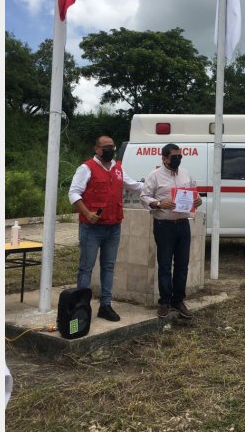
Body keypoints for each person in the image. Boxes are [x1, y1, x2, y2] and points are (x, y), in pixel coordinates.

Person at [68, 135, 143, 321]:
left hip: (113, 227)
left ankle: (105, 305)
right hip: (91, 229)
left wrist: (159, 188)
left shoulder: (118, 169)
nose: (110, 150)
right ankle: (81, 308)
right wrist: (87, 213)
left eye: (112, 146)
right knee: (86, 268)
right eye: (106, 147)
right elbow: (74, 193)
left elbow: (136, 186)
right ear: (97, 149)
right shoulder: (86, 168)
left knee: (108, 267)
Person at [140, 143, 203, 319]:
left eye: (180, 156)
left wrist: (197, 200)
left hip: (183, 225)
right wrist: (159, 203)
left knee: (182, 265)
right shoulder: (154, 175)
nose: (178, 159)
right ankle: (165, 302)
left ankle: (178, 300)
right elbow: (144, 197)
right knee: (165, 264)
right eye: (174, 157)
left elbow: (195, 193)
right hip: (164, 226)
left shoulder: (186, 174)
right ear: (165, 158)